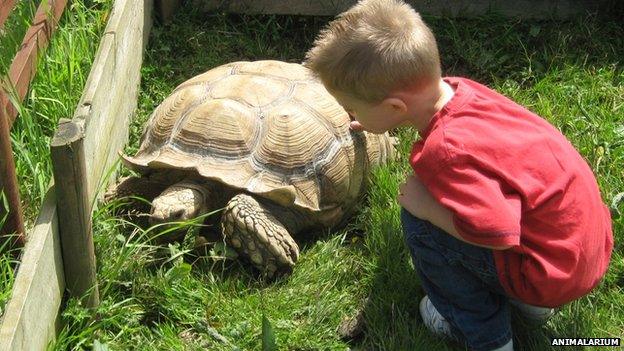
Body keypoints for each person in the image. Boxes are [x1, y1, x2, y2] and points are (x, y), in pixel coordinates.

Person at [303, 0, 614, 350]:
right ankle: (533, 306)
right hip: (579, 247)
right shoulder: (462, 91)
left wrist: (428, 209)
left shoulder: (445, 152)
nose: (349, 115)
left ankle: (486, 336)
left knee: (421, 223)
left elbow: (497, 233)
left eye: (354, 108)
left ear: (395, 108)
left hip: (549, 273)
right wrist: (375, 117)